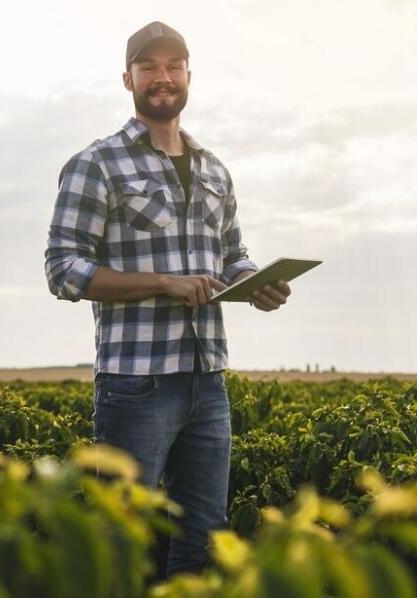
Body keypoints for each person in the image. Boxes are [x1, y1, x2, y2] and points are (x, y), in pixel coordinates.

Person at [42, 20, 292, 577]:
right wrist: (162, 281)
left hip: (208, 379)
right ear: (127, 79)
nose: (162, 77)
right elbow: (63, 270)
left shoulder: (213, 169)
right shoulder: (96, 164)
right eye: (149, 67)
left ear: (188, 77)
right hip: (137, 384)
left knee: (204, 539)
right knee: (124, 540)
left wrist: (257, 283)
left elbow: (231, 253)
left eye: (173, 66)